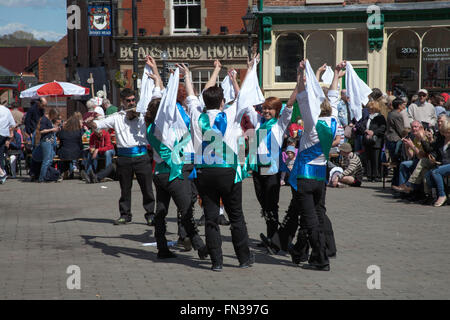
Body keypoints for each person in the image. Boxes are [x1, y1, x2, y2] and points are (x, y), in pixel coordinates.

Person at [177, 55, 263, 271]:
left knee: (211, 218)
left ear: (204, 102)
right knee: (236, 216)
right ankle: (243, 258)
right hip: (228, 172)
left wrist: (187, 75)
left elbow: (191, 95)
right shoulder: (231, 113)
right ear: (222, 101)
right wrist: (251, 69)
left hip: (205, 172)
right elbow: (243, 95)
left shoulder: (197, 115)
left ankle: (216, 262)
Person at [286, 59, 345, 271]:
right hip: (320, 176)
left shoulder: (312, 124)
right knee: (318, 216)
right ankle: (302, 251)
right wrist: (336, 75)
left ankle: (320, 259)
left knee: (309, 219)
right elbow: (334, 97)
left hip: (305, 176)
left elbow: (302, 96)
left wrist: (301, 74)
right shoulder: (333, 121)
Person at [86, 87, 156, 226]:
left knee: (147, 188)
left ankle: (150, 215)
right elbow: (98, 124)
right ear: (123, 102)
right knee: (125, 188)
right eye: (128, 101)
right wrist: (90, 123)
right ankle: (125, 214)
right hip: (124, 157)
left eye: (133, 100)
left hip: (142, 156)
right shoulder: (117, 117)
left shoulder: (142, 116)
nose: (132, 103)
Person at [245, 94, 293, 242]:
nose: (266, 111)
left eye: (270, 109)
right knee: (263, 202)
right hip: (258, 168)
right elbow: (247, 105)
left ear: (277, 111)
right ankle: (271, 234)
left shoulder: (279, 124)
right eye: (265, 108)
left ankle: (274, 238)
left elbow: (289, 107)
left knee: (271, 203)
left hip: (271, 168)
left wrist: (298, 87)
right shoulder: (259, 122)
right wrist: (235, 82)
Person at [426, 120, 450, 207]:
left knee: (436, 172)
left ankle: (442, 195)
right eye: (445, 132)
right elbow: (435, 151)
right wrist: (433, 158)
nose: (446, 134)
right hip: (443, 164)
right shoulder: (441, 140)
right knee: (428, 174)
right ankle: (434, 195)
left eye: (448, 132)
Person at [363, 100, 386, 182]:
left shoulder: (380, 117)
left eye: (371, 109)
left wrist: (373, 132)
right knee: (368, 158)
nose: (370, 110)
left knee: (376, 159)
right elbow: (362, 125)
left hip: (376, 141)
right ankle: (369, 175)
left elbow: (382, 128)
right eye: (369, 108)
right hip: (367, 140)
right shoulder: (368, 117)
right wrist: (365, 130)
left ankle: (376, 175)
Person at [385, 98, 407, 186]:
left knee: (395, 162)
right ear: (399, 105)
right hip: (395, 139)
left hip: (390, 139)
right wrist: (406, 134)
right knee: (397, 162)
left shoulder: (390, 114)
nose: (404, 106)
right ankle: (396, 183)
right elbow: (400, 129)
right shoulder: (397, 115)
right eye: (402, 104)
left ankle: (395, 182)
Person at [36, 108, 60, 183]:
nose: (55, 118)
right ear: (52, 114)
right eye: (55, 116)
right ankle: (41, 178)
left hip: (50, 141)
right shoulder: (44, 119)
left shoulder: (48, 119)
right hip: (46, 141)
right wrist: (52, 130)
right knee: (46, 160)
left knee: (50, 159)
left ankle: (47, 176)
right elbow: (41, 131)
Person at [56, 114, 83, 179]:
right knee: (80, 154)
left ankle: (64, 171)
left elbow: (58, 137)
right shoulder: (78, 132)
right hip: (76, 153)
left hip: (64, 152)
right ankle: (81, 171)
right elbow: (80, 144)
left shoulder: (63, 131)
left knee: (64, 153)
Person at [0, 104, 16, 183]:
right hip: (4, 135)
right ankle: (2, 173)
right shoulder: (7, 110)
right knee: (1, 155)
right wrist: (9, 134)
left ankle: (2, 173)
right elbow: (13, 124)